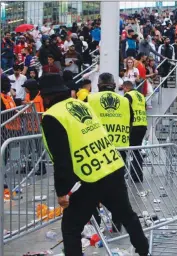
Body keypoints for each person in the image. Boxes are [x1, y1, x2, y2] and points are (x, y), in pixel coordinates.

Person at [39, 73, 149, 255]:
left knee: (71, 228)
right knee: (128, 216)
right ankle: (144, 251)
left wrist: (62, 192)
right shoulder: (80, 105)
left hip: (87, 177)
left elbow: (61, 158)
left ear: (46, 97)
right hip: (112, 166)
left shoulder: (52, 116)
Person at [122, 81, 149, 182]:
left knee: (131, 151)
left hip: (134, 126)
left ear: (125, 88)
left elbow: (124, 108)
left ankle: (132, 175)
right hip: (142, 125)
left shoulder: (128, 95)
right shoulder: (140, 95)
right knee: (136, 151)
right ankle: (138, 175)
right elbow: (145, 108)